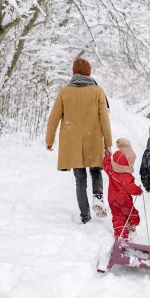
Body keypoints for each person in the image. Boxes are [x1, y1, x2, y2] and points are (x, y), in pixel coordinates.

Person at [45, 57, 112, 224]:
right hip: (93, 139)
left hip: (72, 142)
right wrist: (108, 143)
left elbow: (53, 118)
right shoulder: (97, 91)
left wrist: (50, 139)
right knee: (96, 171)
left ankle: (85, 217)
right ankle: (98, 198)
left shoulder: (65, 92)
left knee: (80, 178)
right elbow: (104, 118)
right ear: (89, 73)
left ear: (73, 72)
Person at [102, 138, 142, 240]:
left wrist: (107, 155)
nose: (132, 164)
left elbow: (106, 164)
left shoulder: (112, 168)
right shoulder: (125, 176)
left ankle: (121, 234)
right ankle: (131, 226)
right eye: (131, 163)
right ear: (127, 164)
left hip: (112, 199)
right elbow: (131, 188)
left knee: (117, 217)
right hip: (124, 200)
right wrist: (138, 190)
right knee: (132, 213)